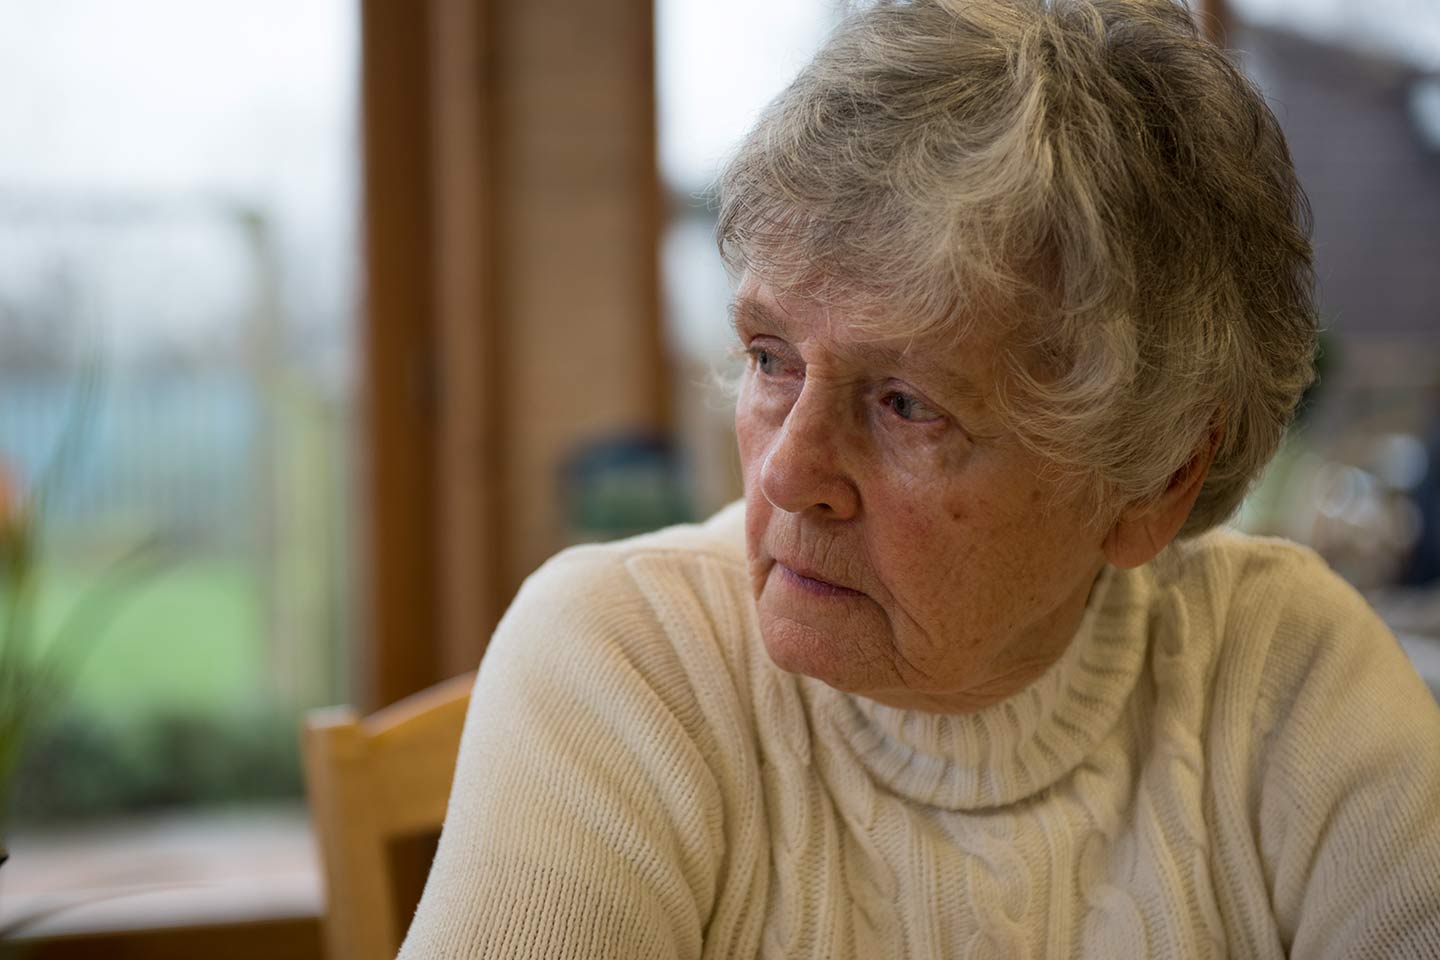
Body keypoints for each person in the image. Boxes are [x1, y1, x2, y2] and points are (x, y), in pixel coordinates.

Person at [398, 1, 1440, 956]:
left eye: (907, 404)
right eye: (771, 359)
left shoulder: (1284, 677)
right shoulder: (627, 660)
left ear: (1159, 478)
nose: (789, 472)